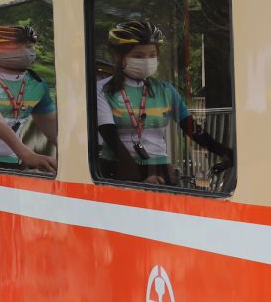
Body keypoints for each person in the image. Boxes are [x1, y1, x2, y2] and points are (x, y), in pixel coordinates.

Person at [96, 20, 232, 185]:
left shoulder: (166, 90)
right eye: (138, 56)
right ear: (118, 57)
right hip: (119, 169)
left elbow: (191, 128)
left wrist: (224, 151)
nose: (147, 61)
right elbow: (111, 138)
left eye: (152, 55)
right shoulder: (102, 90)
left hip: (159, 168)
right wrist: (139, 178)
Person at [0, 25, 57, 171]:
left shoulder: (37, 84)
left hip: (12, 160)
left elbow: (51, 125)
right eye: (13, 46)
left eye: (29, 46)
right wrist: (28, 155)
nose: (25, 51)